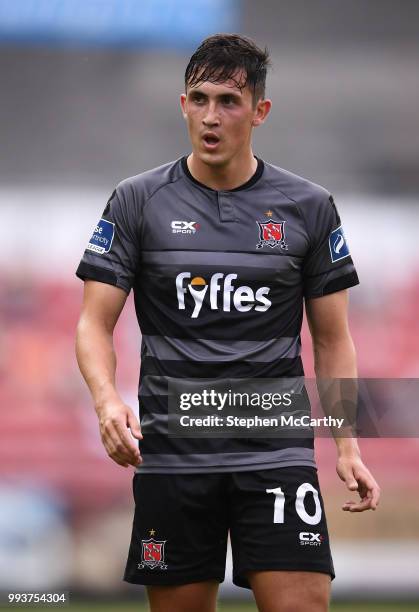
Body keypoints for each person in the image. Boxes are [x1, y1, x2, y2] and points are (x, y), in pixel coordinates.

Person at [75, 33, 380, 612]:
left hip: (276, 452)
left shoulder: (309, 207)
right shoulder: (136, 201)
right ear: (182, 104)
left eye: (229, 101)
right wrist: (105, 400)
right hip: (172, 456)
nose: (211, 116)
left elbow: (333, 338)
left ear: (260, 111)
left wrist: (347, 444)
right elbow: (94, 323)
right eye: (199, 98)